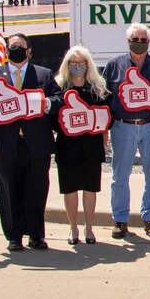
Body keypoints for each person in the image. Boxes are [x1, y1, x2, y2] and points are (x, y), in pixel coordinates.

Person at [0, 33, 62, 252]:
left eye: (20, 46)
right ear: (6, 50)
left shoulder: (43, 74)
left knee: (36, 190)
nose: (16, 50)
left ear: (29, 50)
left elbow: (59, 99)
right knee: (9, 189)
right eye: (12, 46)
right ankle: (14, 236)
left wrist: (46, 104)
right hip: (5, 144)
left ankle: (36, 235)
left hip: (36, 143)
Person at [102, 24, 150, 239]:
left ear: (149, 42)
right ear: (128, 41)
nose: (139, 42)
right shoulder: (114, 66)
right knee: (119, 176)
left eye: (143, 40)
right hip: (122, 126)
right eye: (135, 38)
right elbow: (104, 99)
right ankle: (120, 219)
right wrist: (103, 129)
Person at [53, 45, 110, 245]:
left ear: (88, 64)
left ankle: (89, 228)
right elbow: (52, 117)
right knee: (69, 188)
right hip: (67, 145)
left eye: (81, 62)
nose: (78, 66)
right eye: (73, 63)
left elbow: (106, 115)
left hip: (91, 145)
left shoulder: (98, 87)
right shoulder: (59, 87)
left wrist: (103, 130)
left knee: (90, 187)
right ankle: (73, 228)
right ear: (67, 65)